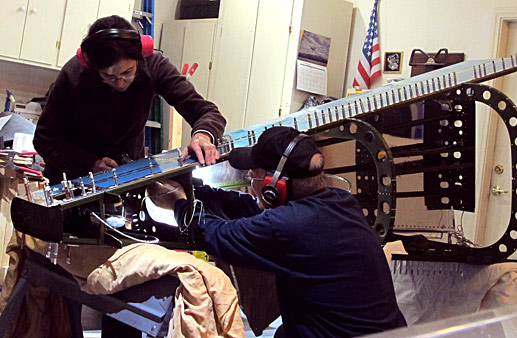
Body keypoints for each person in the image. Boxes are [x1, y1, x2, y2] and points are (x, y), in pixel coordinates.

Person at [148, 126, 407, 337]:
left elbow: (216, 235)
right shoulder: (339, 203)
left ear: (275, 184)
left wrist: (176, 203)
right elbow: (248, 208)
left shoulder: (291, 226)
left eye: (255, 171)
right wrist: (193, 189)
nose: (249, 175)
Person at [33, 15, 226, 185]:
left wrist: (202, 135)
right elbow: (45, 140)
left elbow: (206, 111)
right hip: (73, 177)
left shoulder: (154, 65)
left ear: (140, 56)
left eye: (127, 72)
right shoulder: (73, 76)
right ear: (90, 66)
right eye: (108, 76)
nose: (120, 82)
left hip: (128, 171)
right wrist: (89, 164)